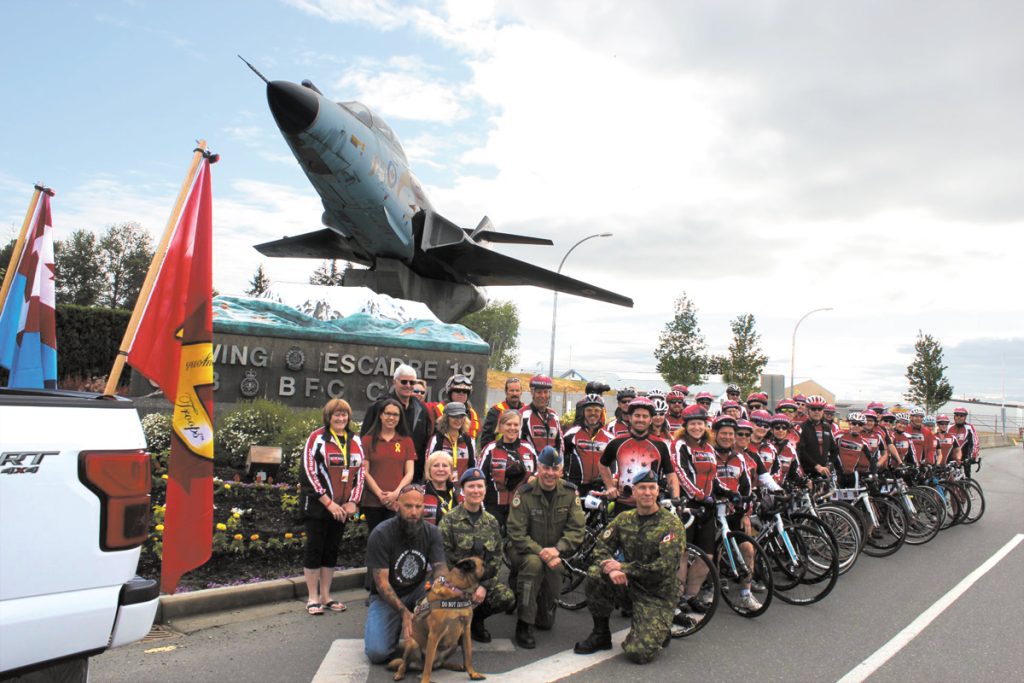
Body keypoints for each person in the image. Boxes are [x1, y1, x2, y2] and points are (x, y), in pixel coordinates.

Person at [573, 468, 686, 664]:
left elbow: (665, 567)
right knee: (596, 573)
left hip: (656, 594)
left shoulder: (671, 525)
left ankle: (658, 626)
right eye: (642, 488)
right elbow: (600, 548)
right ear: (633, 491)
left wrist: (623, 568)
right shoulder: (624, 519)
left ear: (658, 491)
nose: (647, 492)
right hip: (628, 585)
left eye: (652, 488)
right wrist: (610, 568)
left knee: (637, 653)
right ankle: (601, 634)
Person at [506, 446, 586, 649]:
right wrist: (543, 552)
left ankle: (538, 607)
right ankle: (524, 624)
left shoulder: (569, 493)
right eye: (546, 468)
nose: (550, 473)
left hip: (553, 552)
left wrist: (557, 550)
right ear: (538, 468)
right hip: (523, 550)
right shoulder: (524, 493)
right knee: (533, 565)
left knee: (546, 623)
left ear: (561, 471)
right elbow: (516, 533)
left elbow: (577, 529)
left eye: (555, 469)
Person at [363, 485, 447, 665]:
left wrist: (438, 587)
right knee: (377, 653)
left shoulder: (432, 532)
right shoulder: (381, 534)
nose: (414, 512)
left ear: (424, 507)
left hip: (419, 591)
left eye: (418, 506)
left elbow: (440, 568)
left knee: (445, 630)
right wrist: (404, 613)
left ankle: (421, 639)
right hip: (387, 596)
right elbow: (382, 584)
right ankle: (402, 638)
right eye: (408, 506)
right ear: (397, 506)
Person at [299, 398, 365, 615]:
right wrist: (328, 502)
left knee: (331, 549)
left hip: (343, 507)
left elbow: (360, 473)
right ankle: (312, 598)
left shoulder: (356, 440)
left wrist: (353, 501)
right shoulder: (317, 438)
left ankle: (326, 596)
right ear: (328, 417)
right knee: (315, 548)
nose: (341, 418)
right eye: (336, 414)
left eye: (344, 414)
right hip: (318, 506)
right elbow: (309, 473)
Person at [438, 468, 516, 643]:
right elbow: (442, 557)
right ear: (462, 490)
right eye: (471, 486)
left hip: (480, 582)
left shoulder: (491, 522)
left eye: (480, 486)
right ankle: (455, 621)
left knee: (506, 597)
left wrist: (483, 587)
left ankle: (476, 621)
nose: (476, 491)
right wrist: (461, 587)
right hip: (455, 584)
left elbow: (495, 559)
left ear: (485, 490)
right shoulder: (449, 520)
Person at [599, 397, 679, 515]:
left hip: (651, 505)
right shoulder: (617, 442)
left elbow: (670, 473)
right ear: (630, 418)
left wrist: (676, 499)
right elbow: (602, 464)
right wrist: (610, 486)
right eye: (637, 416)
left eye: (645, 416)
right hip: (623, 505)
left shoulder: (660, 445)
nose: (641, 420)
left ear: (650, 420)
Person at [362, 364, 434, 480]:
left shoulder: (421, 409)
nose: (408, 385)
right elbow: (366, 439)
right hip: (383, 474)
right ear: (394, 382)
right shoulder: (378, 407)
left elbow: (426, 441)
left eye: (412, 382)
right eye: (404, 382)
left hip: (414, 475)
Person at [361, 398, 416, 532]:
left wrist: (396, 494)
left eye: (395, 415)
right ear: (381, 415)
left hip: (397, 501)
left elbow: (410, 472)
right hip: (372, 502)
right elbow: (364, 471)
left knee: (395, 539)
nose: (391, 418)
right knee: (376, 538)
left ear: (400, 418)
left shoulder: (406, 441)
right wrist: (380, 495)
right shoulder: (367, 440)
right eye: (388, 413)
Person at [477, 409, 536, 530]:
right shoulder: (490, 449)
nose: (512, 428)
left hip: (521, 507)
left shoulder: (528, 448)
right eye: (508, 424)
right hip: (493, 507)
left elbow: (539, 470)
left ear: (520, 426)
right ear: (501, 426)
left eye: (516, 424)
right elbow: (479, 478)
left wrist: (534, 476)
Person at [564, 394, 614, 496]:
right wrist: (566, 482)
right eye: (589, 410)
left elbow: (614, 465)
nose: (593, 413)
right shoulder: (571, 434)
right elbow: (561, 460)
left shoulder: (610, 438)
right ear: (583, 412)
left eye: (596, 410)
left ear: (602, 412)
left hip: (600, 488)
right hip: (575, 488)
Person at [425, 401, 476, 481]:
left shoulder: (469, 441)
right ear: (446, 418)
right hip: (441, 485)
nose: (458, 420)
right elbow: (429, 465)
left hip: (463, 486)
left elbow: (473, 466)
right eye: (454, 416)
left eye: (461, 416)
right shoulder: (437, 439)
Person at [429, 374, 482, 441]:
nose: (461, 394)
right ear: (450, 393)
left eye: (465, 391)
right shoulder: (436, 410)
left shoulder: (473, 414)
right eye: (457, 390)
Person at [795, 395, 838, 478]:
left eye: (820, 409)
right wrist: (816, 466)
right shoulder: (801, 427)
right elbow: (801, 451)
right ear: (808, 410)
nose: (817, 412)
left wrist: (829, 464)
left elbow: (834, 449)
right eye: (813, 409)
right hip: (807, 472)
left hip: (824, 472)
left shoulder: (827, 427)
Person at [520, 374, 563, 455]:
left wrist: (557, 461)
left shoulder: (554, 416)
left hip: (551, 462)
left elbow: (560, 443)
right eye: (539, 392)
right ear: (532, 393)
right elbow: (518, 444)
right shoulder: (522, 415)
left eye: (546, 392)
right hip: (531, 461)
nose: (543, 396)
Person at [479, 377, 524, 448]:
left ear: (521, 392)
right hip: (500, 450)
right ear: (506, 392)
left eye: (517, 390)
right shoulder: (496, 410)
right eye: (511, 390)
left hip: (521, 451)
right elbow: (486, 438)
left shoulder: (526, 411)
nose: (514, 393)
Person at [421, 451, 460, 526]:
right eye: (436, 465)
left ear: (450, 470)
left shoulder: (459, 494)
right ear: (429, 469)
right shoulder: (420, 494)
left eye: (445, 465)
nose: (440, 469)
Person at [949, 407, 980, 477]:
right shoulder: (949, 427)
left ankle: (967, 481)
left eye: (961, 416)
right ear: (954, 417)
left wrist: (973, 456)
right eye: (957, 415)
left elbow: (975, 442)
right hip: (950, 459)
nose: (959, 417)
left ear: (965, 417)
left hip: (965, 458)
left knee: (966, 477)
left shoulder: (969, 427)